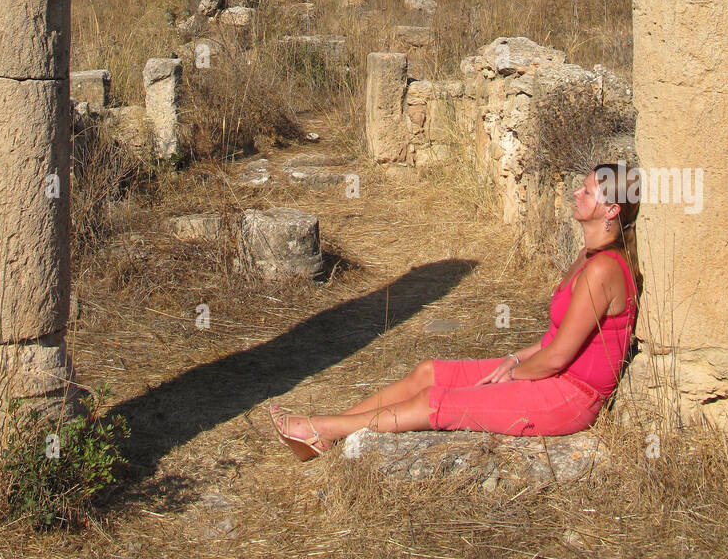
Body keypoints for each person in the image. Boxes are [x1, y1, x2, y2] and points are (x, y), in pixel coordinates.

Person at [270, 162, 641, 459]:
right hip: (550, 374)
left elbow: (559, 355)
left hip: (570, 397)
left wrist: (515, 376)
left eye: (587, 191)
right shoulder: (585, 257)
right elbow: (554, 339)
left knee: (435, 401)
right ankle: (334, 430)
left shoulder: (603, 270)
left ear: (611, 209)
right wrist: (514, 358)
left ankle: (323, 429)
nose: (576, 192)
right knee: (428, 373)